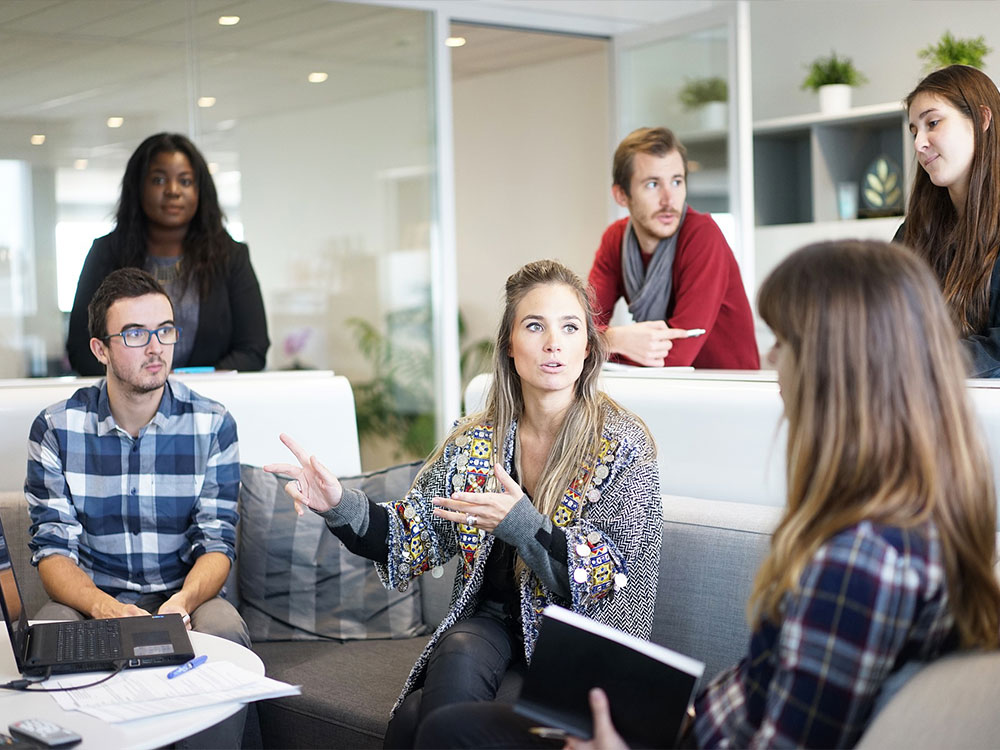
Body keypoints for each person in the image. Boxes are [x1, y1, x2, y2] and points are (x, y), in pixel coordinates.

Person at [415, 240, 1000, 749]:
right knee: (437, 719)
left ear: (837, 369)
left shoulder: (860, 563)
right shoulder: (904, 523)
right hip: (692, 727)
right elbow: (773, 694)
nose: (772, 360)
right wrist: (689, 711)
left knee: (447, 732)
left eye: (787, 341)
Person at [265, 259, 663, 748]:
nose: (553, 342)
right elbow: (407, 536)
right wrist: (337, 503)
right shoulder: (475, 441)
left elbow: (616, 580)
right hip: (491, 625)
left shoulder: (622, 444)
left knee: (416, 719)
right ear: (510, 347)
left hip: (577, 644)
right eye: (534, 326)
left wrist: (522, 524)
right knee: (456, 649)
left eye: (570, 327)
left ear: (588, 347)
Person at [27, 268, 249, 649]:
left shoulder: (213, 424)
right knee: (48, 633)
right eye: (135, 334)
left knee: (225, 631)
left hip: (186, 596)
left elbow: (217, 543)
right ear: (100, 349)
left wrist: (181, 603)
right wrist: (103, 607)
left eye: (165, 330)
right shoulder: (55, 428)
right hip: (91, 597)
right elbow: (53, 551)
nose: (155, 348)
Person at [66, 132, 269, 375]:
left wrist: (192, 387)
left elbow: (253, 349)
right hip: (127, 406)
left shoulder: (231, 256)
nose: (173, 191)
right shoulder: (107, 254)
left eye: (185, 181)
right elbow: (81, 349)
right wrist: (139, 385)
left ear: (200, 191)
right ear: (138, 187)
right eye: (159, 180)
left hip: (210, 403)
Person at [587, 126, 758, 369]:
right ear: (621, 195)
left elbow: (676, 356)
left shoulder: (702, 236)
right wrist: (615, 339)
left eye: (676, 182)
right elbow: (578, 329)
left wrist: (601, 343)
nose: (669, 200)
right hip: (665, 389)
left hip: (727, 392)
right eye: (652, 184)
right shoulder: (615, 240)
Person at [896, 64, 1000, 376]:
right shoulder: (912, 233)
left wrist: (922, 362)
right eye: (914, 130)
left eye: (933, 123)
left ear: (982, 119)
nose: (919, 143)